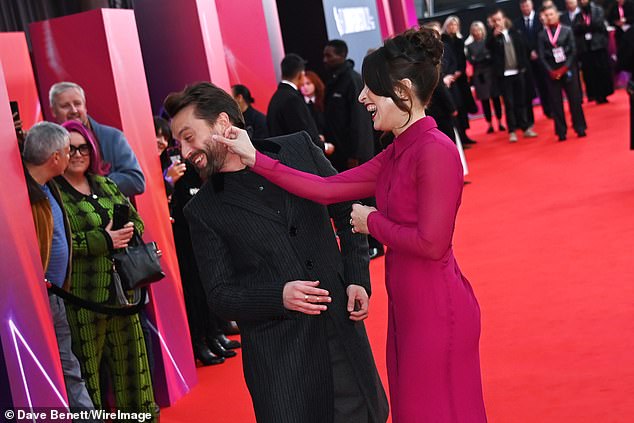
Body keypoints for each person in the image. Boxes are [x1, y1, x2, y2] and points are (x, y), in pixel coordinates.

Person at [217, 27, 487, 422]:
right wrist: (255, 158)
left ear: (404, 90)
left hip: (437, 311)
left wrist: (371, 221)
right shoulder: (399, 151)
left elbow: (432, 243)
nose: (362, 97)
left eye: (371, 88)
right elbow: (326, 189)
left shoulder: (435, 151)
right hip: (410, 308)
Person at [164, 82, 388, 423]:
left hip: (340, 332)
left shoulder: (297, 148)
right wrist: (278, 296)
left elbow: (346, 209)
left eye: (188, 136)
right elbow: (220, 294)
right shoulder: (202, 210)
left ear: (223, 123)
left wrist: (357, 276)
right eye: (178, 142)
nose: (183, 150)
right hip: (283, 363)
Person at [53, 120, 157, 418]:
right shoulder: (54, 193)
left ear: (92, 148)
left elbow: (137, 221)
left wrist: (125, 232)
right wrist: (103, 239)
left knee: (133, 368)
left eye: (82, 146)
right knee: (89, 374)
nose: (76, 154)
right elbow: (58, 244)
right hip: (83, 299)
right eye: (69, 148)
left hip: (123, 293)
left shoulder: (106, 183)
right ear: (58, 153)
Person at [22, 122, 96, 414]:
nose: (70, 157)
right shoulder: (24, 195)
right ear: (55, 158)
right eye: (68, 151)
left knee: (68, 364)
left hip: (55, 296)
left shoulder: (46, 185)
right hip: (36, 302)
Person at [49, 81, 145, 197]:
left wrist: (92, 184)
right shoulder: (50, 144)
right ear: (53, 111)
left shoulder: (113, 137)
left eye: (77, 104)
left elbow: (136, 181)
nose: (74, 110)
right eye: (65, 106)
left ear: (85, 106)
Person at [487, 8, 539, 142]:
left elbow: (523, 50)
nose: (497, 22)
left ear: (504, 19)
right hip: (504, 75)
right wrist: (493, 36)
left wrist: (524, 68)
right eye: (495, 20)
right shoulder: (492, 37)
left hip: (519, 72)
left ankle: (525, 127)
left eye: (499, 19)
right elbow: (488, 49)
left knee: (521, 101)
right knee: (509, 104)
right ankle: (512, 131)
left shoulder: (515, 32)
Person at [323, 39, 375, 171]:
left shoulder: (352, 80)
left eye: (329, 56)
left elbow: (359, 119)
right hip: (339, 153)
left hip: (354, 156)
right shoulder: (333, 81)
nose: (325, 60)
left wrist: (355, 154)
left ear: (341, 56)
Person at [538, 4, 587, 141]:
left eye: (551, 14)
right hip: (552, 72)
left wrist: (564, 68)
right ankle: (561, 131)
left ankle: (580, 127)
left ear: (557, 14)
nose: (549, 17)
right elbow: (541, 56)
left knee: (575, 100)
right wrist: (551, 71)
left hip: (568, 69)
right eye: (546, 15)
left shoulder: (567, 30)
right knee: (556, 103)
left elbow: (573, 51)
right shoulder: (542, 35)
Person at [266, 54, 323, 149]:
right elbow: (302, 134)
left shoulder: (277, 97)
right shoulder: (292, 99)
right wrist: (323, 146)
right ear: (301, 75)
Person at [442, 16, 478, 145]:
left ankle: (465, 135)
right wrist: (451, 74)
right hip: (449, 80)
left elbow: (462, 59)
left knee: (463, 107)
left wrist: (459, 72)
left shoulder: (460, 40)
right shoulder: (443, 40)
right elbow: (447, 61)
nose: (452, 27)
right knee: (455, 106)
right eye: (450, 25)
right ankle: (459, 137)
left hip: (461, 79)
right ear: (446, 26)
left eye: (455, 25)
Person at [515, 0, 553, 120]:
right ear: (520, 7)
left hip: (542, 58)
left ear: (531, 5)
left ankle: (549, 109)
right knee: (528, 87)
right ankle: (529, 117)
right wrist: (529, 52)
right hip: (527, 61)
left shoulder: (540, 19)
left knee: (546, 85)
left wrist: (537, 51)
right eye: (523, 6)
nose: (525, 8)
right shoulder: (517, 23)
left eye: (527, 5)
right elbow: (519, 42)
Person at [466, 20, 506, 133]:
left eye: (478, 30)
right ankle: (489, 124)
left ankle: (500, 122)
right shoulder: (469, 45)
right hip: (480, 76)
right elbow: (471, 60)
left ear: (482, 30)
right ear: (471, 32)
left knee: (496, 98)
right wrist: (482, 57)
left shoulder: (488, 42)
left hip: (492, 73)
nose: (477, 32)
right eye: (474, 31)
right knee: (485, 101)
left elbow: (489, 56)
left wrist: (479, 58)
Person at [572, 0, 614, 104]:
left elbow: (599, 24)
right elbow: (575, 28)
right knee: (589, 73)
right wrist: (587, 27)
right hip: (586, 49)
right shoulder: (578, 15)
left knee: (602, 71)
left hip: (598, 46)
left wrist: (585, 26)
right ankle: (593, 94)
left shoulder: (598, 10)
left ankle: (604, 94)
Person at [301, 70, 335, 155]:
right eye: (302, 85)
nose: (305, 87)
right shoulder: (299, 103)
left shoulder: (325, 101)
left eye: (308, 83)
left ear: (315, 83)